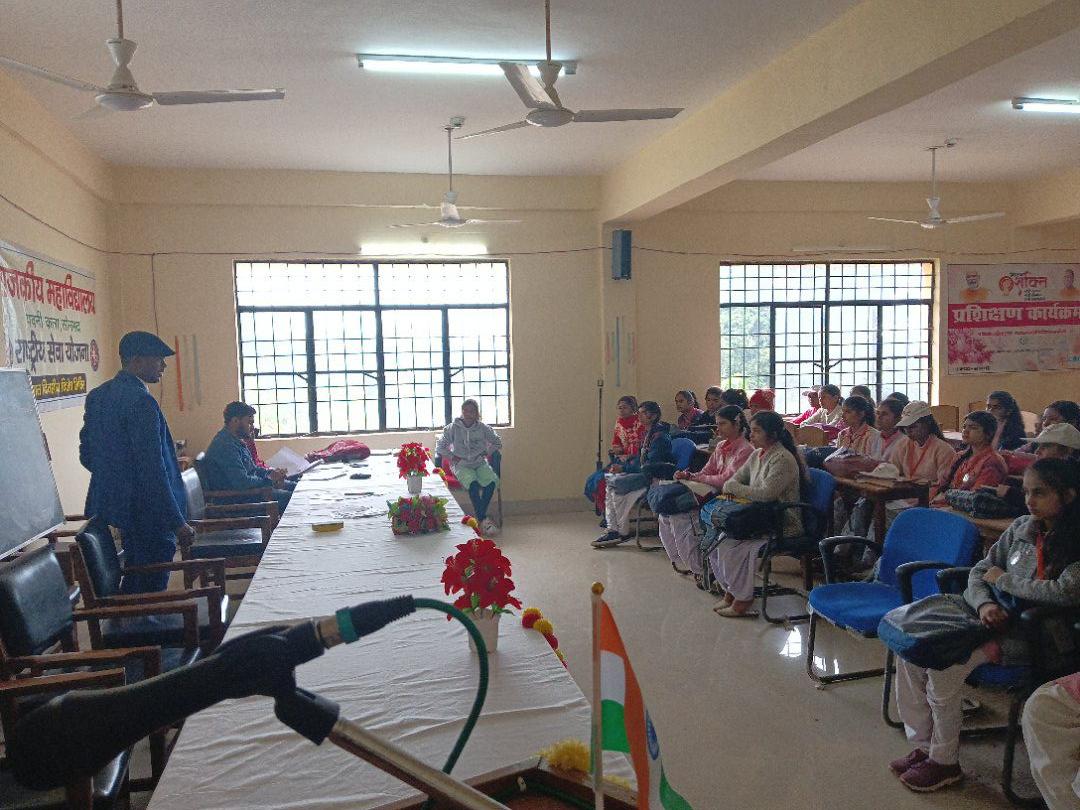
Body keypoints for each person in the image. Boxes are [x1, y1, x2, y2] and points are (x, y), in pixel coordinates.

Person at [892, 458, 1080, 792]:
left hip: (1038, 637)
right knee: (912, 652)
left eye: (1040, 493)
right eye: (1026, 491)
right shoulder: (1022, 528)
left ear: (1068, 495)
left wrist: (1004, 581)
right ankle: (924, 745)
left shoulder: (1074, 540)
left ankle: (944, 761)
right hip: (988, 622)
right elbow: (981, 571)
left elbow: (1066, 591)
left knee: (945, 666)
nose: (1029, 500)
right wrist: (985, 603)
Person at [79, 331, 193, 594]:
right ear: (136, 360)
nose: (164, 366)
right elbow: (153, 471)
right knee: (148, 586)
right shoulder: (142, 402)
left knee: (135, 574)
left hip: (115, 507)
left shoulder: (98, 396)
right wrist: (177, 522)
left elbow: (87, 454)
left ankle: (134, 617)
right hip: (150, 511)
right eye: (158, 359)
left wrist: (119, 482)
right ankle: (143, 620)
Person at [708, 411, 809, 617]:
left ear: (772, 434)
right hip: (758, 517)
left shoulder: (782, 459)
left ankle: (742, 600)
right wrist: (738, 488)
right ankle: (731, 592)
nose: (751, 435)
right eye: (751, 430)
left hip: (782, 522)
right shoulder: (756, 454)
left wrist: (737, 489)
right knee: (719, 541)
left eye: (756, 431)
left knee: (733, 546)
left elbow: (766, 494)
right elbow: (731, 482)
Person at [657, 405, 753, 579]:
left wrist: (698, 478)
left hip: (729, 497)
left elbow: (726, 480)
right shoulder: (722, 445)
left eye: (722, 424)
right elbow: (708, 471)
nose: (718, 429)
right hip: (710, 490)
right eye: (717, 424)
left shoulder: (745, 450)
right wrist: (689, 475)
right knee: (664, 511)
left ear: (737, 424)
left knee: (679, 515)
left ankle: (699, 568)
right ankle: (682, 560)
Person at [593, 401, 675, 548]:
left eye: (643, 413)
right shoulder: (647, 433)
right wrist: (625, 465)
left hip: (653, 477)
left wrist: (624, 468)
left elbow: (649, 464)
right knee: (610, 480)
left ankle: (620, 531)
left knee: (615, 484)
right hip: (643, 472)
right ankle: (613, 529)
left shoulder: (660, 437)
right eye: (639, 413)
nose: (639, 416)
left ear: (653, 416)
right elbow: (640, 458)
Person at [202, 402, 295, 514]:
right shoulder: (225, 445)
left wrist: (271, 473)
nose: (252, 427)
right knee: (294, 499)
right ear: (235, 421)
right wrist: (270, 481)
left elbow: (253, 469)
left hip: (250, 493)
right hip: (237, 502)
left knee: (297, 488)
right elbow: (242, 482)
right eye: (249, 423)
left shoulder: (236, 440)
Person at [436, 399, 503, 536]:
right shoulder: (453, 428)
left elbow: (497, 442)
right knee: (473, 485)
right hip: (461, 465)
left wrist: (486, 452)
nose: (468, 414)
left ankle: (480, 519)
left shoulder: (483, 428)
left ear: (477, 413)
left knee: (491, 482)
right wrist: (452, 457)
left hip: (480, 463)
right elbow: (440, 447)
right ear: (462, 412)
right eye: (465, 411)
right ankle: (484, 520)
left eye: (472, 411)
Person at [585, 395, 642, 520]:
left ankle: (613, 517)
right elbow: (616, 442)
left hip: (636, 461)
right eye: (619, 408)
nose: (622, 410)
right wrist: (617, 450)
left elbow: (643, 447)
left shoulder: (640, 422)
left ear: (633, 408)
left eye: (625, 407)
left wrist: (630, 455)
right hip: (621, 459)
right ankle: (607, 515)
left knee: (603, 482)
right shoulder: (619, 423)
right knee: (594, 479)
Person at [932, 410, 1008, 504]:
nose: (965, 431)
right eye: (964, 427)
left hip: (964, 508)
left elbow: (975, 498)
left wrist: (944, 499)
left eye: (973, 427)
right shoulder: (960, 456)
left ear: (988, 434)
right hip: (947, 504)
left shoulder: (992, 462)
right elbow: (944, 484)